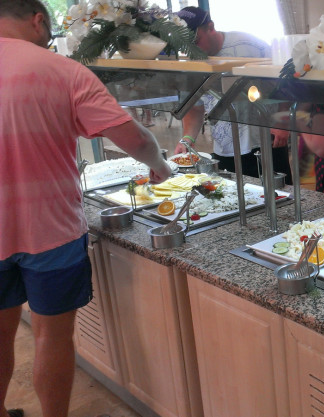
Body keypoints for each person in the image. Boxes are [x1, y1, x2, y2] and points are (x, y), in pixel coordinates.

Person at [0, 1, 172, 416]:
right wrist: (160, 165)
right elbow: (135, 140)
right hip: (51, 230)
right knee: (52, 337)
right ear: (38, 20)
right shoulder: (63, 70)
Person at [174, 7, 292, 185]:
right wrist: (188, 139)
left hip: (265, 140)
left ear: (210, 27)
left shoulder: (250, 46)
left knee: (279, 194)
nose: (192, 50)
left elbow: (284, 82)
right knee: (232, 193)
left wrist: (282, 121)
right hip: (225, 148)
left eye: (196, 41)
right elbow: (195, 106)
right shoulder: (192, 60)